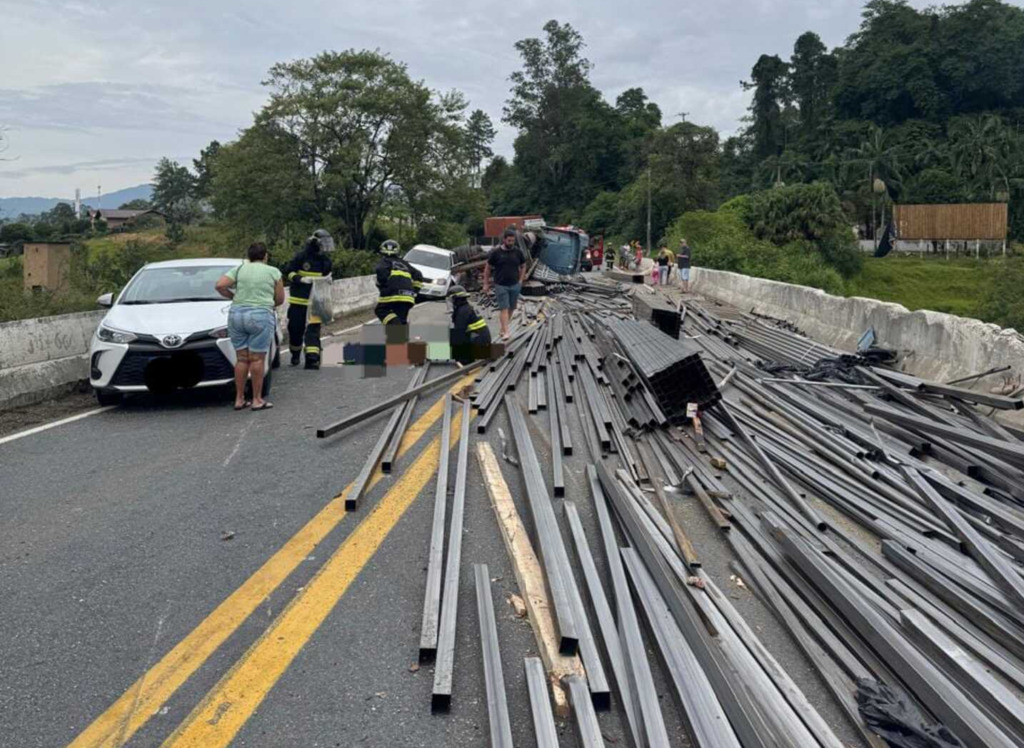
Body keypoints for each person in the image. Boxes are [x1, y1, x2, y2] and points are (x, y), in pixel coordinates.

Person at [215, 242, 285, 411]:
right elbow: (280, 299)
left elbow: (220, 285)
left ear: (248, 256)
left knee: (241, 358)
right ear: (265, 256)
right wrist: (267, 303)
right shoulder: (273, 272)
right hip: (260, 315)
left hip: (237, 314)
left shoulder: (239, 269)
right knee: (257, 358)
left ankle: (239, 399)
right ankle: (256, 399)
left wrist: (233, 297)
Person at [283, 229, 333, 369]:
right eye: (323, 244)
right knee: (295, 329)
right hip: (299, 301)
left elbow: (327, 276)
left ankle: (312, 359)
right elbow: (288, 271)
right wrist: (300, 279)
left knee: (313, 331)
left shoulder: (326, 261)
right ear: (315, 243)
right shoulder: (301, 257)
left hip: (316, 302)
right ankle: (295, 354)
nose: (325, 247)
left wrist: (328, 280)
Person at [483, 228, 527, 340]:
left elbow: (523, 265)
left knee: (511, 308)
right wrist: (486, 284)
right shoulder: (496, 253)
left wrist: (521, 280)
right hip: (501, 285)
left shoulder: (517, 252)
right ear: (504, 240)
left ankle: (503, 328)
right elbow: (487, 268)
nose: (511, 243)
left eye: (513, 241)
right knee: (504, 308)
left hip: (515, 284)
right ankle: (507, 332)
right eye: (509, 241)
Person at [374, 239, 422, 327]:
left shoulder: (385, 261)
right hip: (408, 296)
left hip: (392, 294)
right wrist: (415, 292)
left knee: (381, 310)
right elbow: (418, 275)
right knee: (401, 318)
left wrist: (382, 285)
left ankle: (396, 325)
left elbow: (380, 271)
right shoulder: (404, 263)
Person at [448, 285, 491, 363]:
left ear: (455, 299)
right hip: (482, 340)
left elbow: (459, 333)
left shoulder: (462, 312)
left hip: (478, 342)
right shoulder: (467, 307)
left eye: (451, 299)